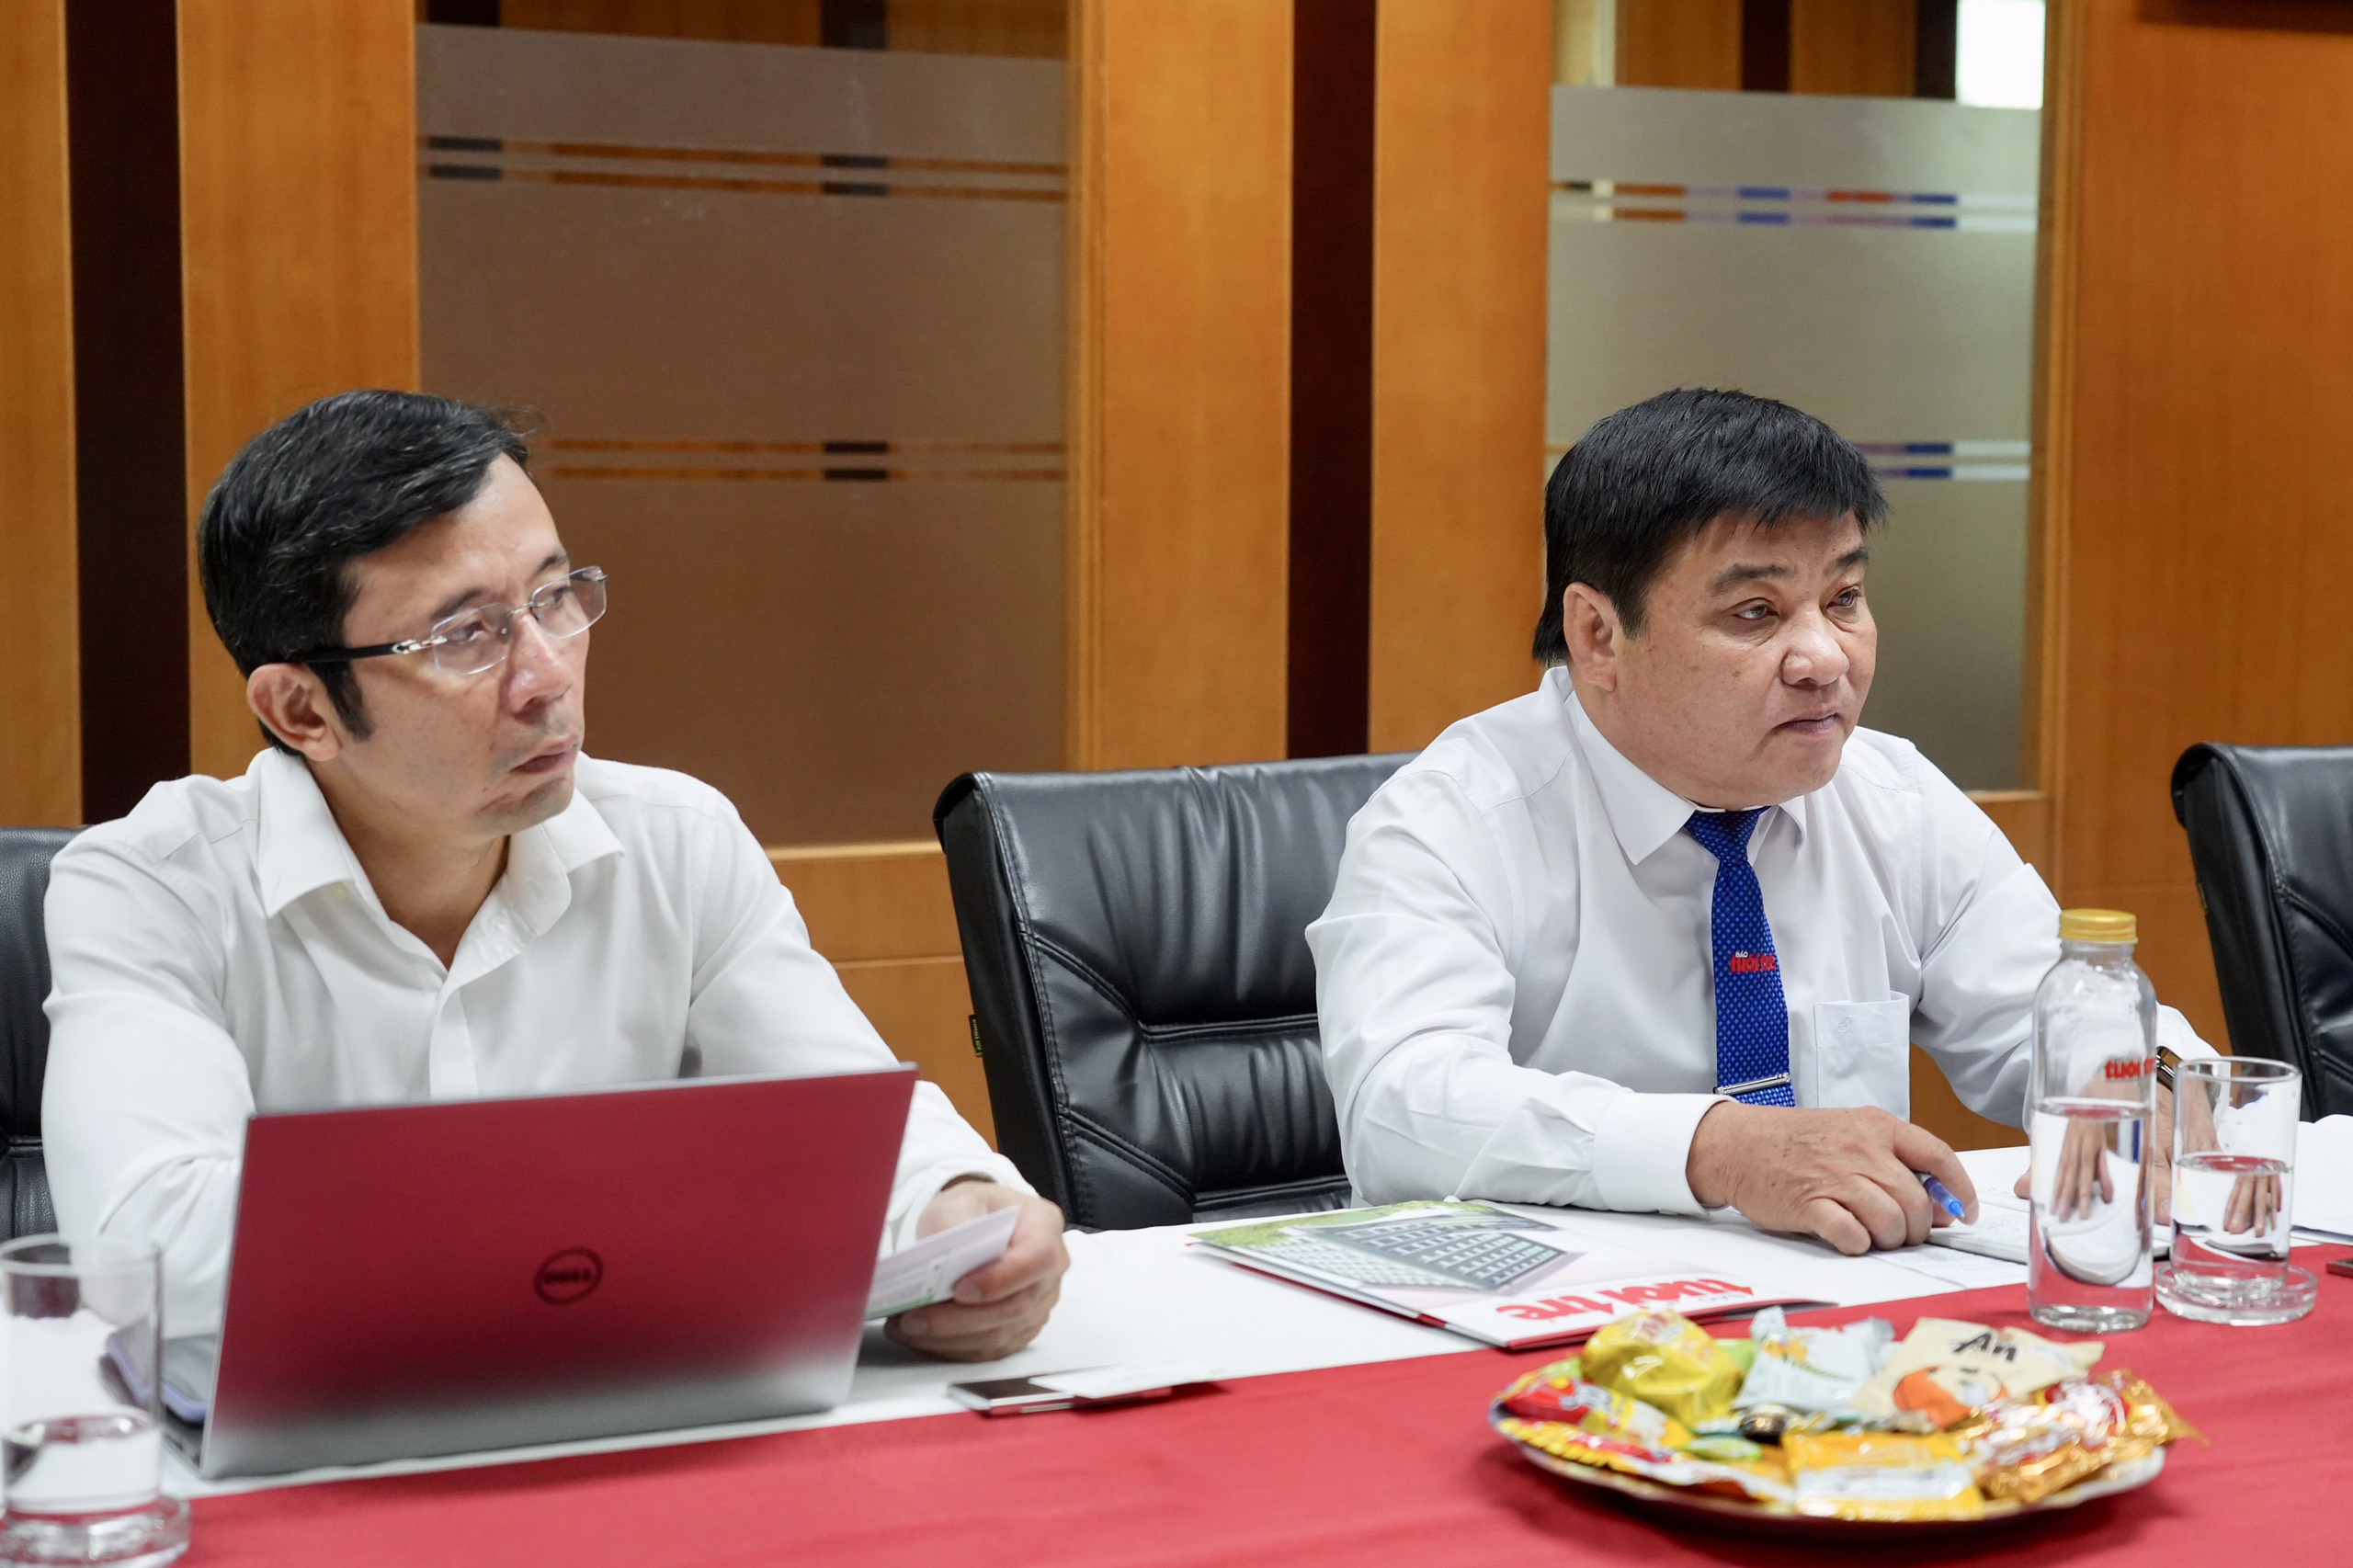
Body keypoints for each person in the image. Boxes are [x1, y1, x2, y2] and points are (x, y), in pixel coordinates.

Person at [43, 391, 1065, 1358]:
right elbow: (147, 1246)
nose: (546, 676)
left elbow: (856, 1121)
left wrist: (960, 1207)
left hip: (644, 1432)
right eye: (468, 634)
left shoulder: (677, 839)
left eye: (555, 597)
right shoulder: (151, 888)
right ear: (302, 710)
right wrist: (617, 1225)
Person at [1308, 388, 2213, 1256]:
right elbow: (1403, 1106)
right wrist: (1722, 1147)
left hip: (1845, 1335)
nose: (1824, 657)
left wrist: (2155, 1084)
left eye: (1844, 599)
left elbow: (2054, 1013)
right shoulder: (1451, 820)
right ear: (1596, 636)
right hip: (1547, 1337)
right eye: (1756, 612)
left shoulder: (1891, 797)